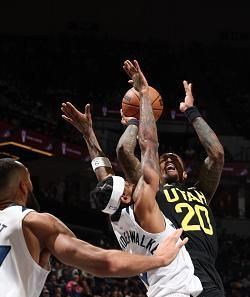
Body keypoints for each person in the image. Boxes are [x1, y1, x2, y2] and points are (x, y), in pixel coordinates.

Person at [61, 59, 203, 297]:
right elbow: (149, 145)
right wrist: (144, 94)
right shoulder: (144, 206)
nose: (129, 181)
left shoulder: (116, 218)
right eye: (125, 183)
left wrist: (88, 134)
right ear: (127, 196)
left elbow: (102, 173)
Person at [0, 158, 187, 297]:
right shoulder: (34, 222)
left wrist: (90, 137)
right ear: (23, 186)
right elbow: (104, 262)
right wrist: (161, 259)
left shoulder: (118, 211)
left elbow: (106, 180)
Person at [119, 68, 225, 296]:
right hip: (177, 272)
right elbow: (125, 152)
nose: (167, 159)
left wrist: (191, 111)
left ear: (185, 174)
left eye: (173, 159)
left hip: (210, 274)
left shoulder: (201, 192)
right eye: (163, 159)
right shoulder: (152, 191)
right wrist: (133, 122)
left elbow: (216, 154)